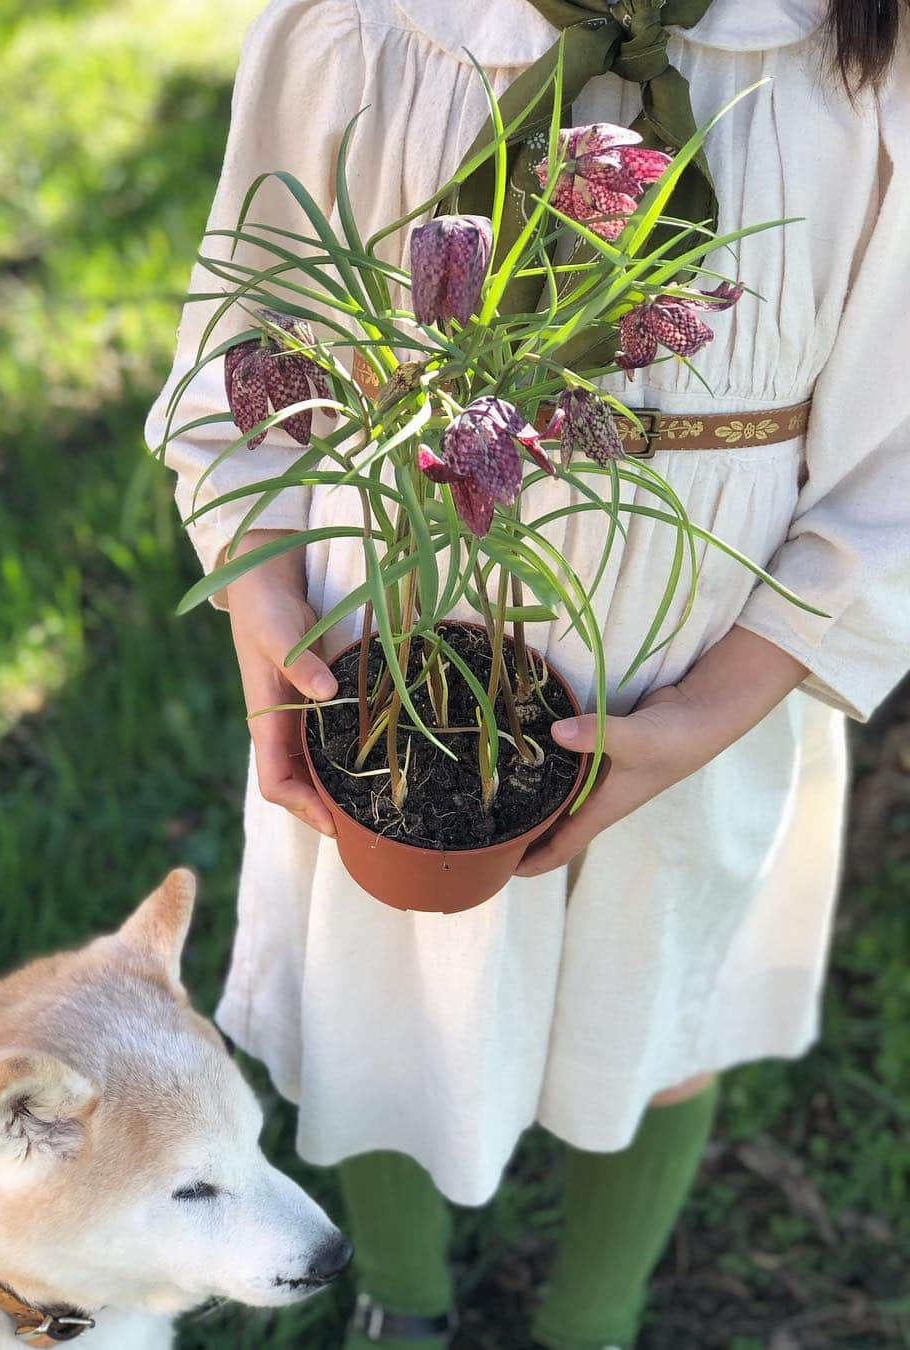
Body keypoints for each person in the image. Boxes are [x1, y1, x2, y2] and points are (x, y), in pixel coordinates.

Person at [145, 2, 910, 1346]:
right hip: (390, 598)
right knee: (385, 982)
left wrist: (714, 709)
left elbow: (897, 455)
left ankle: (593, 1318)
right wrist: (265, 619)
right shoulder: (375, 24)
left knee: (660, 992)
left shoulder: (860, 46)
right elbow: (246, 340)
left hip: (706, 646)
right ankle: (402, 1293)